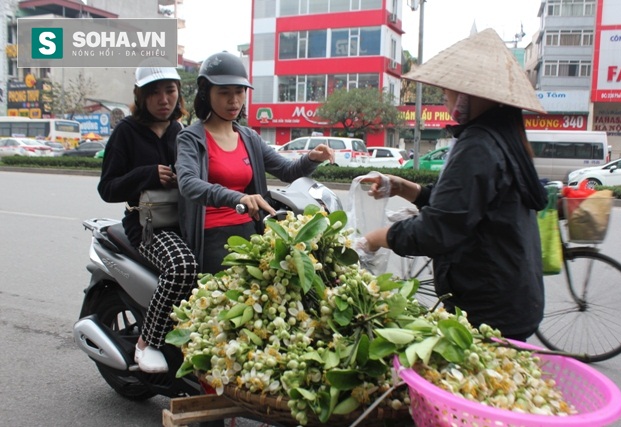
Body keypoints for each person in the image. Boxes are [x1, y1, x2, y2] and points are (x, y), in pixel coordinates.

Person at [360, 29, 549, 341]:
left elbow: (436, 231)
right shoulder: (502, 136)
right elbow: (463, 207)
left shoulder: (479, 144)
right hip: (512, 299)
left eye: (447, 89)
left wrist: (377, 237)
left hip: (489, 310)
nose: (445, 96)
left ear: (469, 94)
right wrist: (403, 187)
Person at [176, 52, 334, 274]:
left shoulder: (249, 137)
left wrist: (312, 158)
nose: (234, 101)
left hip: (251, 230)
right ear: (206, 93)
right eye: (224, 93)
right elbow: (188, 183)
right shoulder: (191, 138)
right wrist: (237, 197)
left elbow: (287, 171)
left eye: (239, 92)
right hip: (212, 235)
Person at [98, 66, 199, 373]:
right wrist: (147, 174)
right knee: (182, 266)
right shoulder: (126, 132)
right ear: (140, 97)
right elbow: (108, 188)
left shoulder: (179, 131)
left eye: (169, 90)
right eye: (154, 92)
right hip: (146, 225)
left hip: (184, 221)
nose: (163, 99)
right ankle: (149, 341)